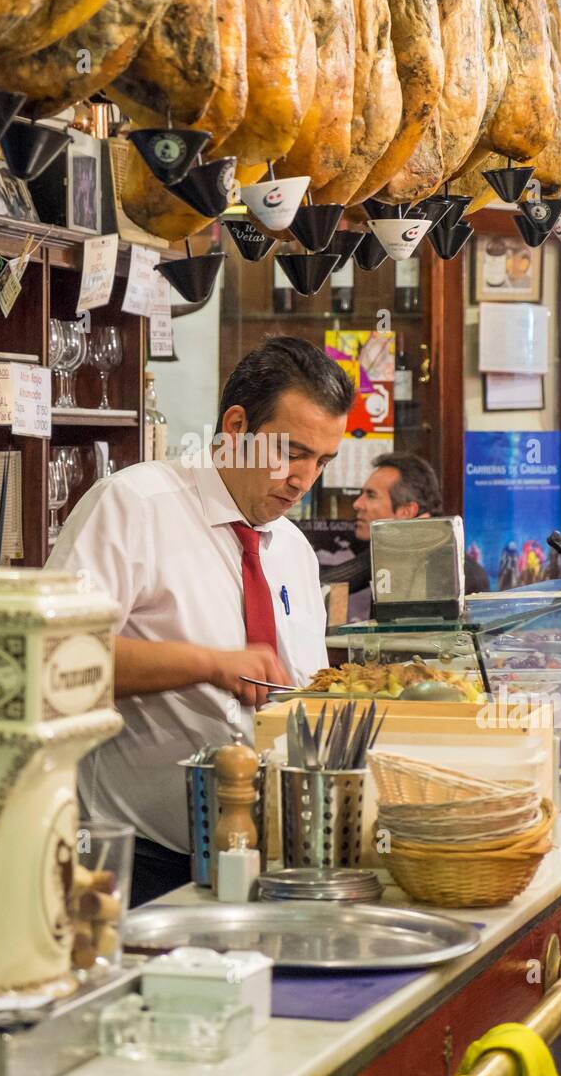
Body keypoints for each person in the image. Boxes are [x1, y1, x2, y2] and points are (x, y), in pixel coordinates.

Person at [47, 337, 353, 903]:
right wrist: (207, 665)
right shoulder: (134, 505)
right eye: (291, 451)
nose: (304, 479)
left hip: (275, 859)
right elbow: (53, 658)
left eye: (323, 461)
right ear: (236, 427)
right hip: (139, 865)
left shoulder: (292, 549)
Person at [321, 452, 490, 622]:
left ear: (406, 511)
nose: (357, 504)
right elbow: (322, 583)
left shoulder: (450, 568)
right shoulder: (396, 552)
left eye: (371, 495)